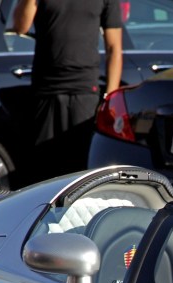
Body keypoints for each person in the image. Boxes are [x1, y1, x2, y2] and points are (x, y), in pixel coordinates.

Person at [12, 0, 124, 182]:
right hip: (46, 89)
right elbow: (20, 27)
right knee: (42, 167)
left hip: (85, 89)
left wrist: (109, 98)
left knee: (79, 169)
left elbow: (114, 48)